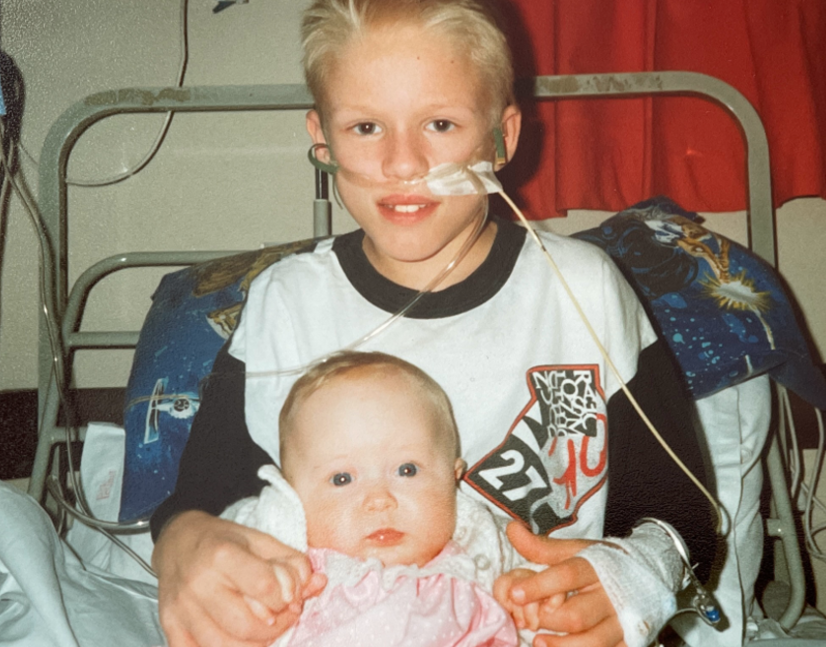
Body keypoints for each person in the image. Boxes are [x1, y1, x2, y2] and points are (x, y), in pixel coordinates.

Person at [150, 1, 718, 647]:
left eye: (440, 123)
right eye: (366, 127)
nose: (402, 162)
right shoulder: (286, 304)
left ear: (502, 136)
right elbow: (198, 502)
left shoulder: (582, 290)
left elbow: (682, 516)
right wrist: (182, 543)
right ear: (322, 137)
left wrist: (640, 574)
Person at [221, 350, 522, 647]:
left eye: (407, 470)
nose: (379, 500)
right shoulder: (291, 565)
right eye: (342, 479)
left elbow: (546, 588)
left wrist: (535, 606)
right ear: (292, 495)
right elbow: (227, 549)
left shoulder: (485, 545)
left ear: (453, 475)